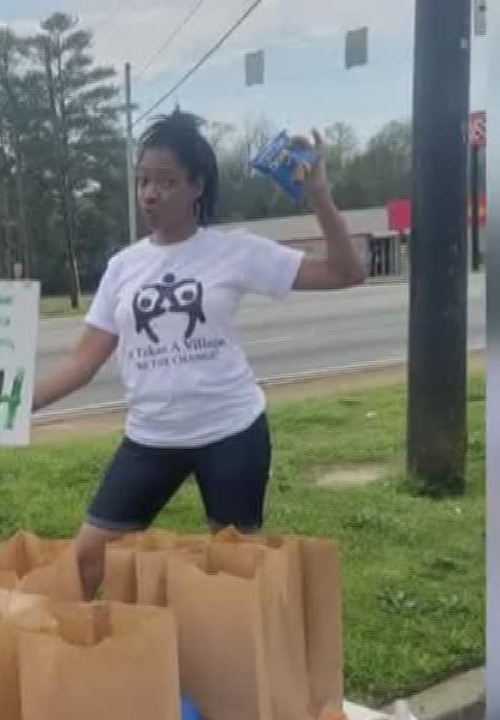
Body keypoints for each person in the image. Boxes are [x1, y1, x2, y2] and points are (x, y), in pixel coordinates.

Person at [19, 111, 367, 598]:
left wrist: (319, 194)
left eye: (166, 181)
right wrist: (11, 409)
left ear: (196, 186)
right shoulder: (124, 266)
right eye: (143, 181)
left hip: (230, 432)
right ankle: (90, 658)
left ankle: (236, 664)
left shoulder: (235, 251)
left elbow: (345, 273)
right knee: (89, 555)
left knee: (236, 571)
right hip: (150, 437)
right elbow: (82, 364)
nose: (150, 194)